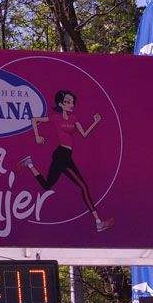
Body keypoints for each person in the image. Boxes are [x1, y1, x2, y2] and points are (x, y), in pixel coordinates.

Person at [20, 89, 112, 233]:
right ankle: (98, 222)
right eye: (67, 102)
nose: (71, 104)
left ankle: (29, 163)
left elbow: (84, 134)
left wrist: (95, 122)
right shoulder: (56, 117)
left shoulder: (74, 118)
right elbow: (34, 119)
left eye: (72, 102)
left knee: (47, 186)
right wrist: (37, 136)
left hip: (65, 156)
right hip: (62, 155)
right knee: (83, 187)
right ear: (61, 104)